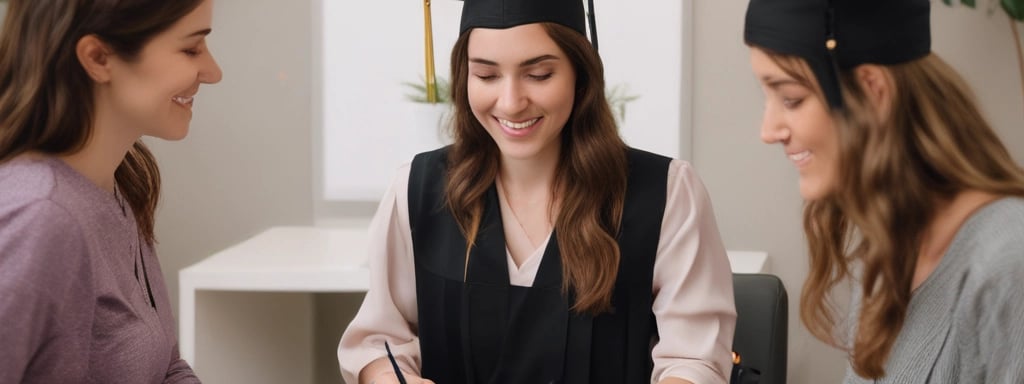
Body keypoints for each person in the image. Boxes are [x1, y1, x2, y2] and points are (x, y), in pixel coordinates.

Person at [338, 0, 736, 383]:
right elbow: (378, 341)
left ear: (580, 74)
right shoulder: (417, 189)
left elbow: (694, 360)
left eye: (539, 75)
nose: (511, 103)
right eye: (487, 75)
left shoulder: (666, 194)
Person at [744, 0, 1024, 382]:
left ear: (873, 90)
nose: (768, 130)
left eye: (791, 99)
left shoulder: (1009, 262)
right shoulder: (890, 247)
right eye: (766, 99)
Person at [0, 0, 222, 382]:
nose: (213, 72)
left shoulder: (119, 182)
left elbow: (165, 367)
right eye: (191, 49)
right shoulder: (39, 216)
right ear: (98, 57)